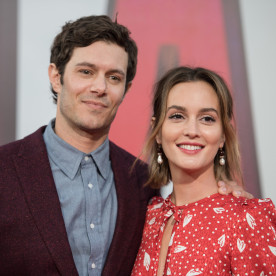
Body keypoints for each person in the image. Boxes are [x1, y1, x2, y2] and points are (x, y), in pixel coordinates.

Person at [0, 16, 250, 276]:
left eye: (114, 77)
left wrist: (230, 201)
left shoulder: (142, 182)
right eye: (86, 71)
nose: (100, 87)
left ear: (126, 89)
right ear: (56, 77)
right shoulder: (5, 170)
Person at [131, 66, 276, 275]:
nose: (192, 131)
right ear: (158, 132)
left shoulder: (247, 218)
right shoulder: (150, 215)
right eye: (177, 116)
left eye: (207, 118)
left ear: (224, 136)